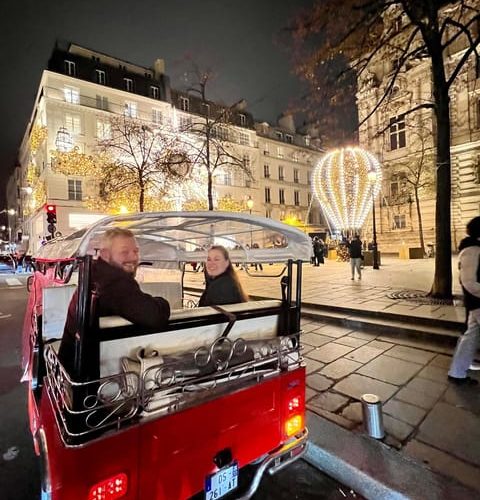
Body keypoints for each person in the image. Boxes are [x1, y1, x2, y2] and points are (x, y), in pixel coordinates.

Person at [58, 227, 170, 375]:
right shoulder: (113, 282)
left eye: (135, 251)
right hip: (88, 376)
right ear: (105, 254)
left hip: (72, 365)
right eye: (124, 252)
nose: (132, 257)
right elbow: (153, 315)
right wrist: (163, 303)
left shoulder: (96, 274)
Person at [448, 216, 480, 385]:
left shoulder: (474, 248)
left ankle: (457, 372)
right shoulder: (472, 250)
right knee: (470, 337)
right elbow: (469, 281)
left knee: (470, 337)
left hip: (475, 304)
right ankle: (457, 371)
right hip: (477, 302)